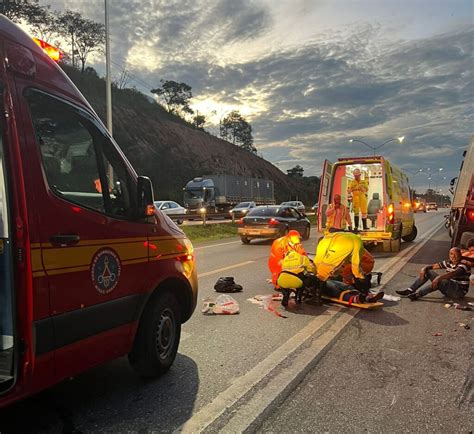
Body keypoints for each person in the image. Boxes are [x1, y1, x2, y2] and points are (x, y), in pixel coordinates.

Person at [396, 247, 471, 300]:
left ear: (460, 255)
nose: (453, 256)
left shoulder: (464, 264)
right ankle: (410, 290)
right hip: (448, 290)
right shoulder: (448, 262)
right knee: (428, 272)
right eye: (451, 254)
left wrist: (439, 278)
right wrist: (424, 268)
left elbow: (454, 273)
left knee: (441, 280)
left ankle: (417, 295)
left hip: (458, 292)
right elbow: (434, 266)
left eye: (456, 254)